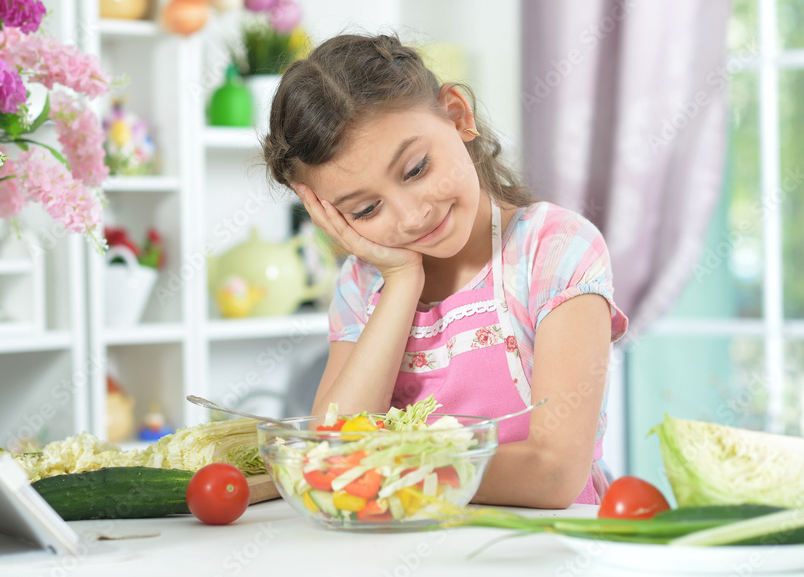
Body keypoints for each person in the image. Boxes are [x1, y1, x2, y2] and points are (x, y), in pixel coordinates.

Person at [262, 34, 628, 509]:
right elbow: (329, 447)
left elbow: (553, 474)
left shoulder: (555, 250)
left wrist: (379, 466)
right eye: (368, 208)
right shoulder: (365, 284)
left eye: (416, 169)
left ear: (458, 115)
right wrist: (400, 281)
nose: (412, 216)